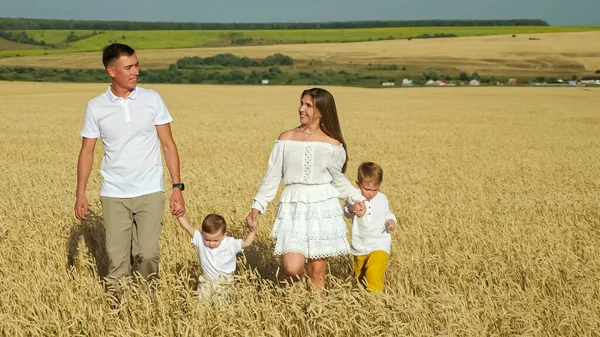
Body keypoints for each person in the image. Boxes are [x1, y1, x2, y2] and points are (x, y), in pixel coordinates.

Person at [74, 43, 185, 290]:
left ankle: (147, 309)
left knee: (147, 254)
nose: (136, 71)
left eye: (137, 65)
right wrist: (80, 193)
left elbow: (168, 144)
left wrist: (177, 187)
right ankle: (117, 314)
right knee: (117, 262)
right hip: (114, 194)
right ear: (112, 71)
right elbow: (87, 151)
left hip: (149, 191)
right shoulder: (96, 106)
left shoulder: (152, 99)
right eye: (129, 67)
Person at [246, 87, 366, 290]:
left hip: (322, 205)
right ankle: (296, 301)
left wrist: (357, 199)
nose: (302, 109)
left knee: (317, 272)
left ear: (321, 111)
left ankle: (315, 315)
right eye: (302, 103)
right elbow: (272, 176)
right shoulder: (286, 139)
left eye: (308, 105)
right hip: (293, 206)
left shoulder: (333, 145)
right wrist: (256, 208)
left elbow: (337, 180)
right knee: (292, 268)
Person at [344, 162, 397, 294]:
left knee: (373, 275)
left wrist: (391, 221)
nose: (371, 194)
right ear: (358, 183)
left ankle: (375, 304)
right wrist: (353, 208)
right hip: (359, 245)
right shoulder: (354, 198)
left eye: (375, 189)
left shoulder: (382, 198)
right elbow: (345, 212)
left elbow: (387, 213)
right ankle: (363, 302)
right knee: (360, 280)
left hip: (380, 243)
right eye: (367, 189)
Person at [176, 214, 255, 302]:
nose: (211, 243)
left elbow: (246, 243)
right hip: (206, 282)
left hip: (224, 283)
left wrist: (252, 230)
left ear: (224, 235)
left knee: (222, 307)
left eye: (216, 240)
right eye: (207, 240)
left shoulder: (230, 243)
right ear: (202, 234)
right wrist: (179, 214)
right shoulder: (200, 239)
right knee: (202, 305)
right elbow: (187, 227)